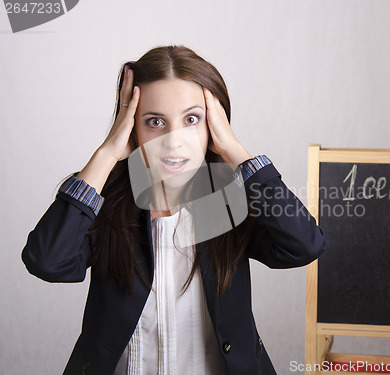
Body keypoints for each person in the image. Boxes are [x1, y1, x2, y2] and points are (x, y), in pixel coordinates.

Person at [21, 45, 326, 375]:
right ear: (132, 129)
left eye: (191, 119)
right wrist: (107, 153)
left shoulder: (232, 203)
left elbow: (304, 245)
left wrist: (235, 151)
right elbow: (47, 261)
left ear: (214, 126)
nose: (174, 140)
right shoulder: (105, 206)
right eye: (154, 122)